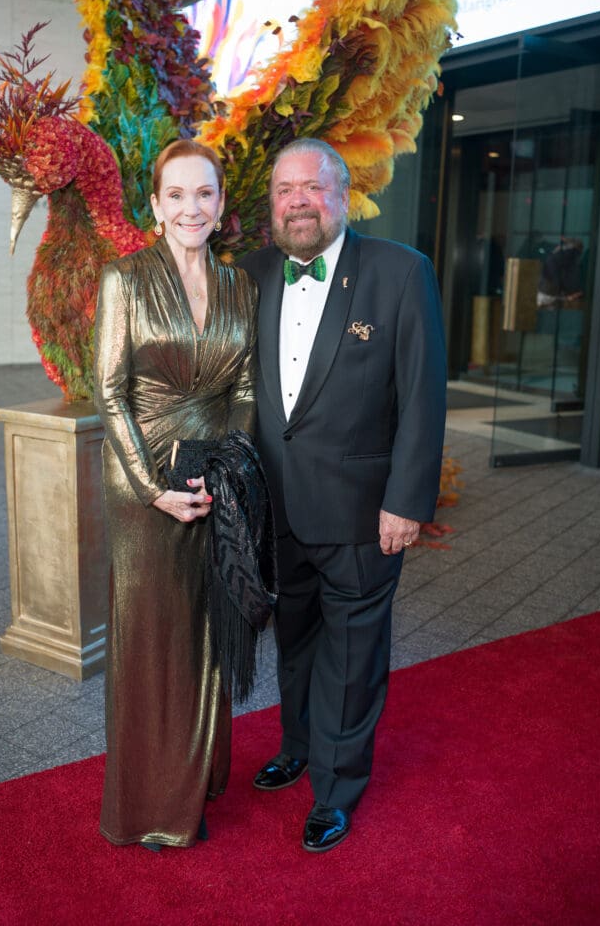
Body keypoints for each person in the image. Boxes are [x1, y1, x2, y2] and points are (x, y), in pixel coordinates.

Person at [240, 138, 446, 853]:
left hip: (363, 512)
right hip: (276, 510)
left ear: (344, 194)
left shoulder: (400, 272)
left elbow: (422, 395)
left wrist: (407, 501)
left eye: (312, 187)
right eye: (283, 190)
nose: (297, 201)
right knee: (295, 642)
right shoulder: (250, 275)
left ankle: (335, 789)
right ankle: (298, 746)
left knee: (352, 655)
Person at [93, 139, 258, 851]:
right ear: (156, 206)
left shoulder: (239, 287)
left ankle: (198, 776)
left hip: (213, 478)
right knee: (152, 640)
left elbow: (245, 387)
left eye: (205, 193)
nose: (192, 207)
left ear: (221, 205)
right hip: (144, 488)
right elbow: (108, 391)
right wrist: (153, 489)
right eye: (177, 194)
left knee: (207, 631)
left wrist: (229, 467)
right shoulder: (124, 279)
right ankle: (150, 806)